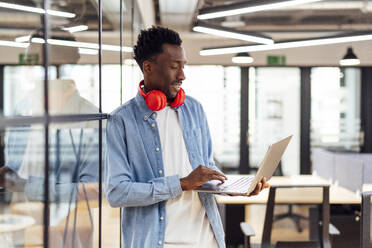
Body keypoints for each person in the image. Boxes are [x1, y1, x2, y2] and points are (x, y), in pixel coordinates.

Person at [105, 26, 268, 248]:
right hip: (159, 242)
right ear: (148, 67)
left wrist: (233, 188)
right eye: (174, 67)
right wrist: (181, 184)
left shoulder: (194, 110)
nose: (182, 75)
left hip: (207, 240)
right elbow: (117, 192)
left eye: (183, 66)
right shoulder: (122, 121)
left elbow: (205, 170)